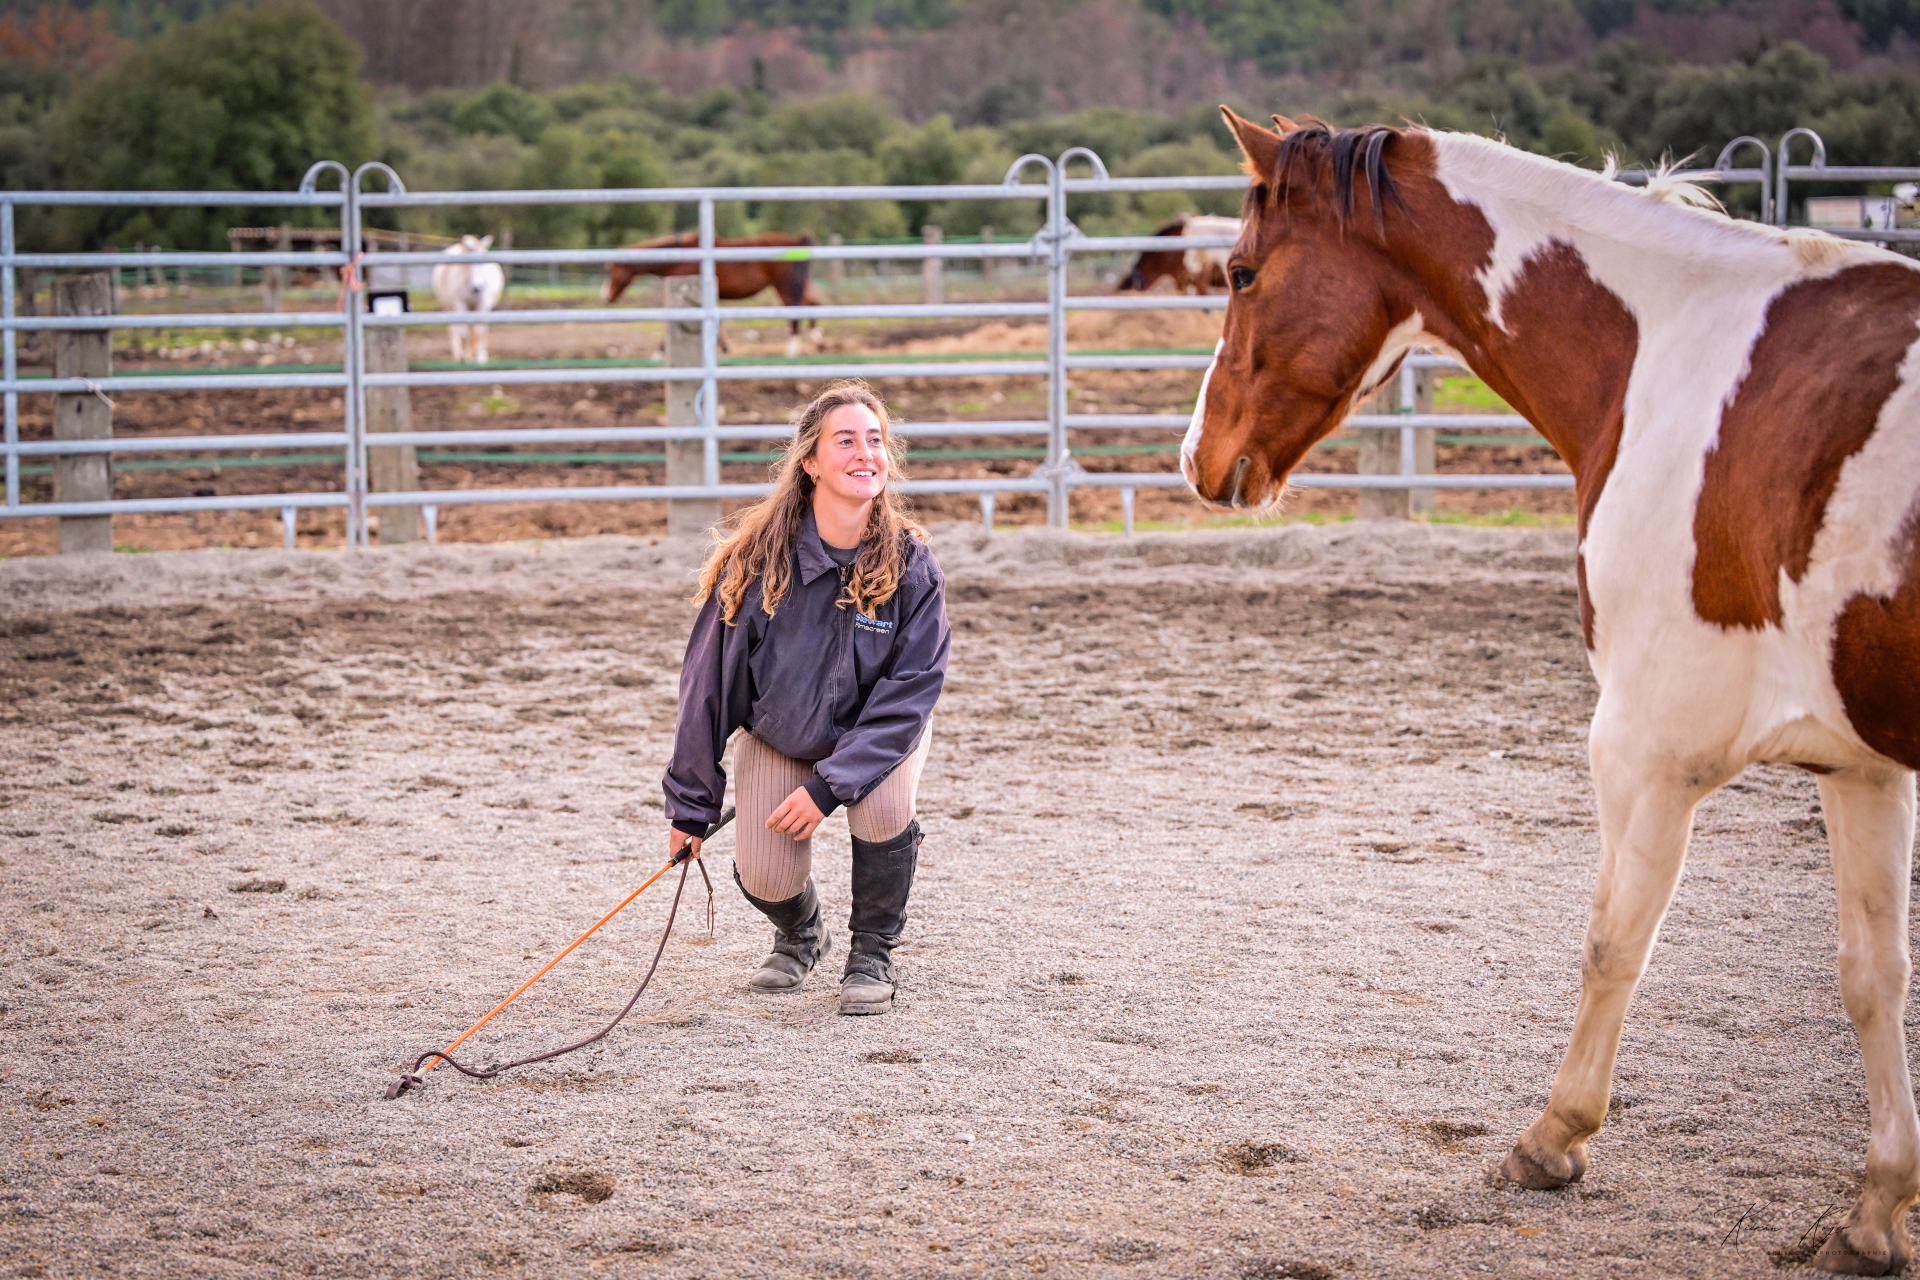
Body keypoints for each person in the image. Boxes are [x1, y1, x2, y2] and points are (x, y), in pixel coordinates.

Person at [663, 380, 950, 1016]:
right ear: (810, 462)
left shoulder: (911, 565)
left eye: (874, 440)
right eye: (845, 440)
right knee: (765, 872)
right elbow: (706, 687)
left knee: (878, 808)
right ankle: (800, 932)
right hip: (781, 734)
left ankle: (872, 951)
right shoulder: (756, 562)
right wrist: (690, 805)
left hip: (879, 736)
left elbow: (911, 692)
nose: (864, 452)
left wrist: (829, 787)